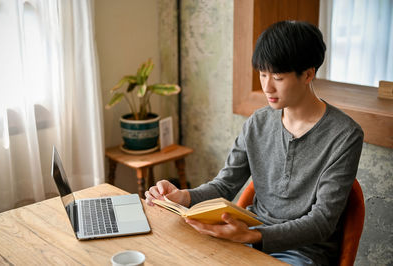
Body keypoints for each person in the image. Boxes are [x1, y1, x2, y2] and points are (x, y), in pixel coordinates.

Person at [145, 20, 363, 266]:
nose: (267, 86)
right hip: (247, 238)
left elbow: (322, 221)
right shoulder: (258, 123)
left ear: (308, 74)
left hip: (302, 253)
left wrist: (254, 235)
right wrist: (182, 197)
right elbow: (225, 184)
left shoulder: (345, 135)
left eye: (278, 77)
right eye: (262, 74)